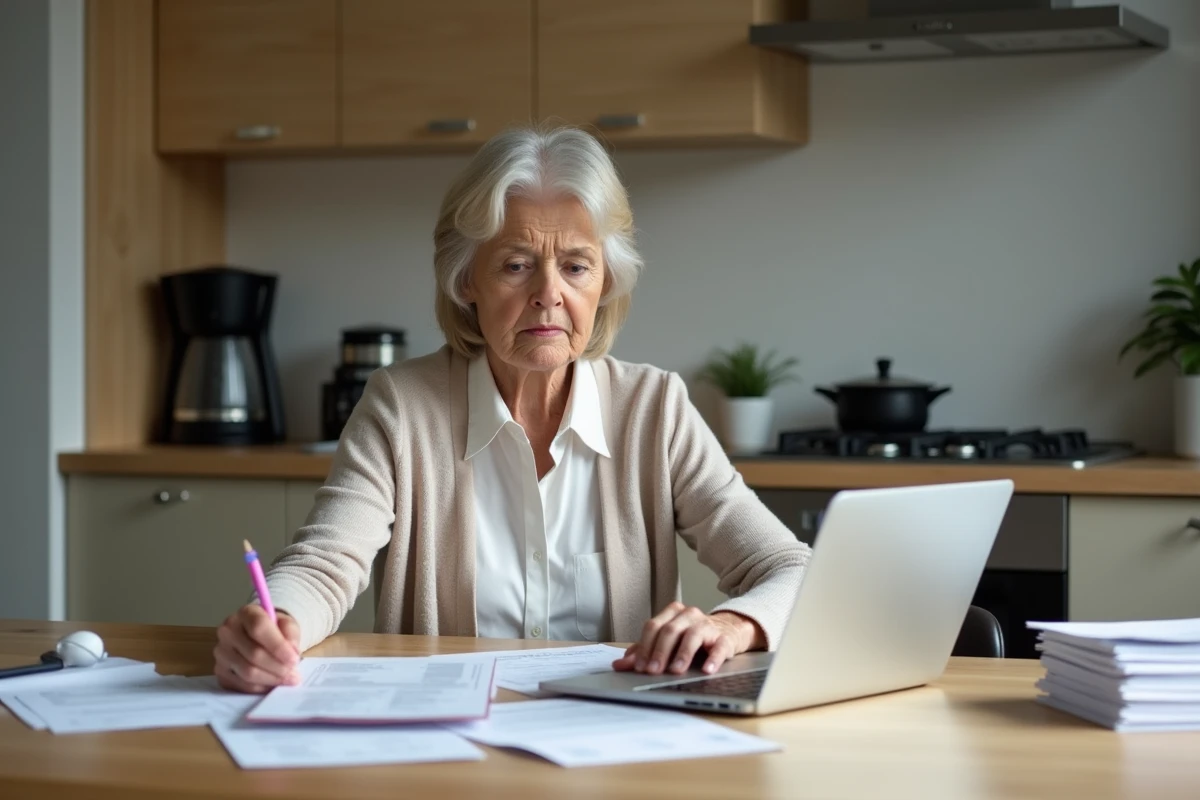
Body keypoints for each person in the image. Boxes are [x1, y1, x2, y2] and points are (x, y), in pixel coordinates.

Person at [213, 124, 812, 693]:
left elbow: (792, 568)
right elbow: (325, 563)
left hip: (610, 747)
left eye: (576, 266)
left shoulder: (655, 408)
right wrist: (278, 623)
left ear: (604, 283)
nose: (549, 293)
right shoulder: (401, 406)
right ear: (467, 280)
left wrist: (732, 626)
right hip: (445, 745)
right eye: (517, 264)